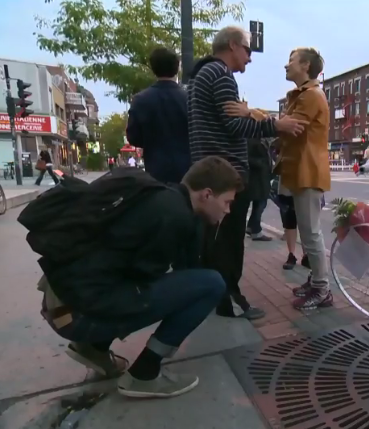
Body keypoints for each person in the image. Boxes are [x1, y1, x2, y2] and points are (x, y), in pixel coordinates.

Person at [40, 156, 241, 398]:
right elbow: (148, 280)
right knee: (211, 284)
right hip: (77, 315)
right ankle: (144, 374)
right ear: (207, 194)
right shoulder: (173, 215)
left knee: (164, 284)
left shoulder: (161, 196)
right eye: (227, 202)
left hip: (61, 303)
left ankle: (94, 347)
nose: (228, 210)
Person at [187, 25, 308, 320]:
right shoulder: (220, 76)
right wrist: (275, 125)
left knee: (212, 241)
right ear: (232, 45)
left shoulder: (203, 75)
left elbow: (231, 120)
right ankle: (229, 299)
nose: (250, 58)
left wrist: (251, 114)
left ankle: (215, 297)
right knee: (228, 242)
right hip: (224, 172)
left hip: (209, 169)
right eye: (248, 50)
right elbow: (236, 126)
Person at [276, 47, 332, 310]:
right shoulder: (303, 95)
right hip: (302, 170)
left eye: (291, 61)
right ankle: (317, 281)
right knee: (309, 233)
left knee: (310, 234)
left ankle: (322, 289)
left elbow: (290, 127)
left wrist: (250, 114)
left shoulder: (311, 96)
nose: (286, 66)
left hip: (309, 171)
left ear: (306, 66)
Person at [127, 47, 191, 184]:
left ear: (153, 68)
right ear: (177, 67)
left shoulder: (140, 100)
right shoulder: (190, 98)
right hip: (187, 169)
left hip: (156, 169)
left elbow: (133, 137)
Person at [245, 136, 273, 241]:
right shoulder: (253, 141)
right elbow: (248, 158)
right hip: (256, 179)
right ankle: (255, 230)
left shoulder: (262, 142)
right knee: (260, 204)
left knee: (260, 203)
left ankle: (252, 226)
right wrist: (261, 164)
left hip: (261, 178)